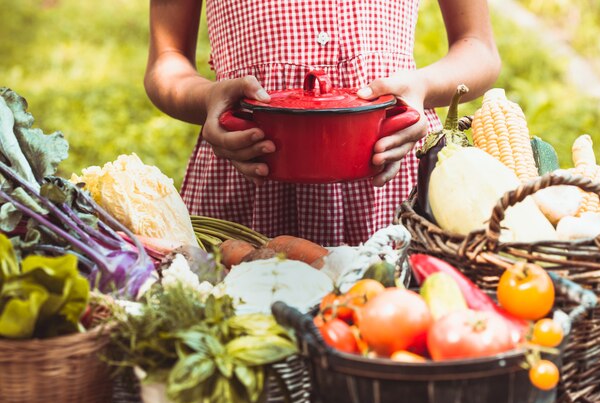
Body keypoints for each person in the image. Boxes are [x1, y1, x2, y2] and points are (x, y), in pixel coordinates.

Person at [145, 0, 500, 247]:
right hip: (246, 180)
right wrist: (208, 100)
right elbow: (167, 60)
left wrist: (422, 87)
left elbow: (478, 48)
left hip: (388, 181)